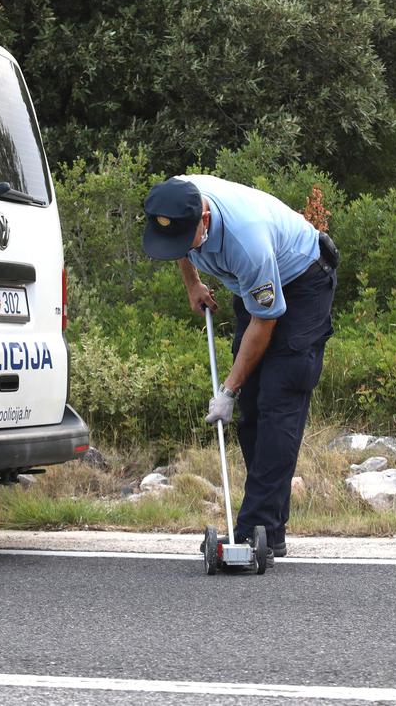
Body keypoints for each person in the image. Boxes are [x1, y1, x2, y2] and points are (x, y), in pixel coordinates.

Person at [141, 175, 338, 562]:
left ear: (205, 218)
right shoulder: (176, 199)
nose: (181, 245)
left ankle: (256, 528)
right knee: (251, 411)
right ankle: (267, 528)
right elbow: (178, 244)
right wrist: (193, 285)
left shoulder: (247, 242)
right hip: (252, 287)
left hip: (302, 281)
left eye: (187, 236)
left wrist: (227, 390)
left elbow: (264, 322)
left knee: (278, 399)